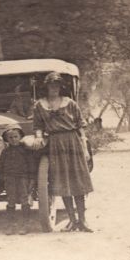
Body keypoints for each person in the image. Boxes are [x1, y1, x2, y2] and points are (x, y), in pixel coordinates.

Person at [33, 72, 94, 232]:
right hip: (55, 144)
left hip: (72, 142)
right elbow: (38, 125)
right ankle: (72, 221)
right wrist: (39, 137)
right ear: (46, 87)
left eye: (57, 86)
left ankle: (83, 221)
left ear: (60, 87)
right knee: (63, 182)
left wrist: (84, 147)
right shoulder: (39, 105)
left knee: (77, 182)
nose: (54, 89)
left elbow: (80, 125)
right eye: (51, 86)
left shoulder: (70, 103)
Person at [0, 123, 37, 235]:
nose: (13, 139)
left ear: (20, 137)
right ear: (6, 139)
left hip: (23, 178)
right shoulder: (5, 152)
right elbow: (1, 167)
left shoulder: (26, 151)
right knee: (11, 200)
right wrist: (2, 180)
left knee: (24, 200)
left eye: (16, 136)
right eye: (10, 137)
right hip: (9, 178)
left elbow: (31, 165)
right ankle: (11, 225)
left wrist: (31, 179)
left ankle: (25, 224)